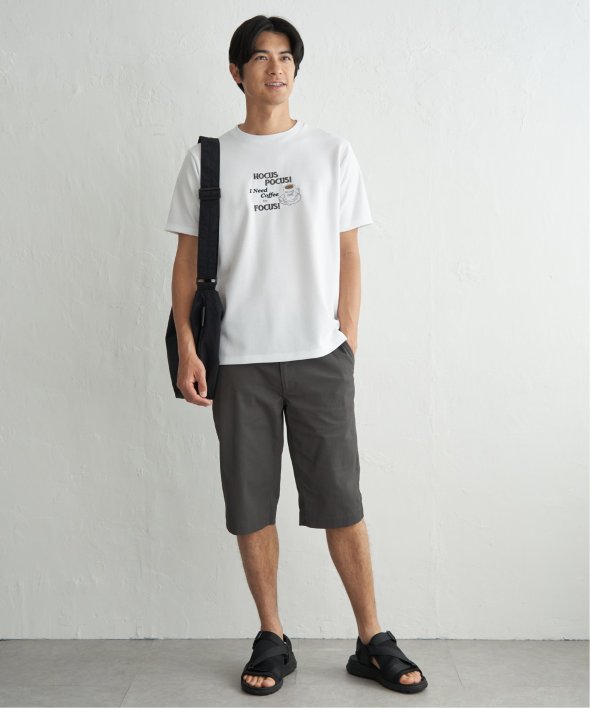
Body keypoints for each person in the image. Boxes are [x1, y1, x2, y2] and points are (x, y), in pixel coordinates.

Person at [164, 14, 427, 697]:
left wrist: (348, 338)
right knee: (251, 505)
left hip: (319, 357)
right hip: (238, 361)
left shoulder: (330, 152)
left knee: (342, 501)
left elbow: (349, 251)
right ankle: (272, 635)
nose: (276, 68)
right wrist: (188, 345)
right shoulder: (208, 158)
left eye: (286, 57)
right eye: (261, 57)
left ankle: (372, 638)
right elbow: (187, 260)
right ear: (237, 72)